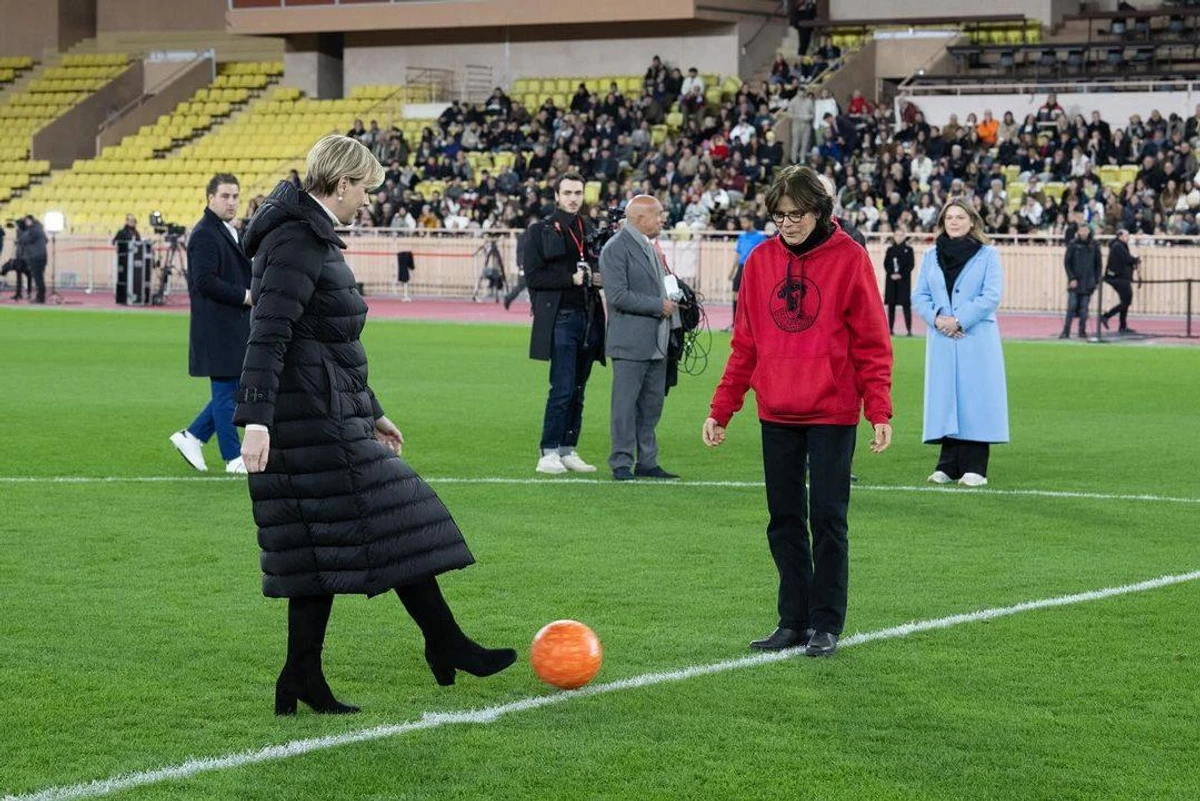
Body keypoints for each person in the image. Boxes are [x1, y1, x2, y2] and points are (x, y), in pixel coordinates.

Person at [235, 135, 516, 715]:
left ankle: (302, 677)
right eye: (365, 188)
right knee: (397, 515)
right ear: (341, 185)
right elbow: (269, 333)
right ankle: (445, 641)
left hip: (328, 407)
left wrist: (373, 409)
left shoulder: (307, 235)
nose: (368, 199)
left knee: (323, 546)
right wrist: (256, 420)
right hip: (306, 417)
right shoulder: (295, 238)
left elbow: (327, 341)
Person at [703, 166, 894, 659]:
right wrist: (722, 409)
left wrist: (879, 408)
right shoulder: (761, 260)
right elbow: (744, 343)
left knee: (828, 519)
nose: (787, 223)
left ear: (820, 211)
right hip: (778, 411)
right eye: (779, 215)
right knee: (784, 519)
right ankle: (792, 619)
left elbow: (872, 340)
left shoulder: (851, 259)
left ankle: (827, 623)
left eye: (797, 215)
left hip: (832, 410)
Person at [912, 198, 1009, 488]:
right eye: (949, 217)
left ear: (972, 221)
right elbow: (920, 295)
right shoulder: (931, 255)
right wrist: (938, 318)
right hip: (942, 337)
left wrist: (959, 320)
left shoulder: (987, 254)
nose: (954, 221)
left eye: (960, 216)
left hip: (974, 337)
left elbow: (991, 296)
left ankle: (975, 466)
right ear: (942, 222)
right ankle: (948, 464)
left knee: (975, 399)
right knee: (947, 399)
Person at [168, 174, 253, 474]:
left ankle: (192, 436)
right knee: (226, 391)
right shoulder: (205, 233)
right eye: (226, 196)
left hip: (229, 326)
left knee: (232, 390)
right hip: (217, 327)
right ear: (210, 198)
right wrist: (245, 296)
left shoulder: (227, 231)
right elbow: (204, 282)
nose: (231, 202)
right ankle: (232, 457)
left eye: (235, 197)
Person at [523, 172, 606, 475]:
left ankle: (568, 449)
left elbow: (599, 266)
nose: (573, 198)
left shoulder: (590, 229)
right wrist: (569, 278)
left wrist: (597, 277)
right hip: (561, 318)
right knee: (562, 387)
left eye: (578, 192)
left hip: (589, 316)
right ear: (556, 195)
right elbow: (533, 277)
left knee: (579, 387)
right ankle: (548, 451)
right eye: (568, 192)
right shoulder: (539, 231)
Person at [598, 194, 680, 481]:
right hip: (631, 341)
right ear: (640, 218)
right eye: (657, 214)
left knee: (651, 405)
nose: (662, 218)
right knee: (625, 406)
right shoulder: (616, 248)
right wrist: (659, 305)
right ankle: (621, 462)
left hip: (656, 340)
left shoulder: (649, 246)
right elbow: (618, 296)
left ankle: (647, 460)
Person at [1060, 224, 1102, 339]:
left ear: (1089, 231)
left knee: (1084, 309)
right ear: (1078, 231)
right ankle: (1066, 331)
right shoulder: (1073, 244)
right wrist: (1071, 278)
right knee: (1072, 306)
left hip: (1089, 282)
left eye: (1085, 230)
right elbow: (1067, 263)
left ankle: (1082, 331)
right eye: (1081, 230)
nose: (1083, 233)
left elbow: (1098, 264)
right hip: (1075, 281)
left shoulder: (1094, 245)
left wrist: (1097, 280)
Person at [729, 214, 768, 330]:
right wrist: (732, 271)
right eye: (742, 222)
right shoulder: (741, 237)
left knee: (752, 296)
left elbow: (764, 256)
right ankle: (735, 323)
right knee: (735, 294)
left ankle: (751, 324)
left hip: (753, 268)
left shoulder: (760, 237)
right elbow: (738, 254)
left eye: (745, 222)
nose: (743, 225)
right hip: (741, 267)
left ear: (751, 222)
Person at [1101, 228, 1139, 334]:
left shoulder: (1119, 246)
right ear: (1120, 236)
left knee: (1125, 300)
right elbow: (1127, 259)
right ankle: (1107, 316)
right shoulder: (1118, 246)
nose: (1128, 238)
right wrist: (1135, 260)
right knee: (1127, 300)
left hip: (1120, 277)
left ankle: (1122, 326)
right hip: (1118, 278)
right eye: (1126, 236)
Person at [882, 228, 914, 336]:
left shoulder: (909, 250)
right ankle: (890, 329)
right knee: (891, 306)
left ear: (904, 236)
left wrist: (901, 275)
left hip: (904, 282)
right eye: (897, 235)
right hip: (891, 282)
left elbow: (911, 265)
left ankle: (909, 330)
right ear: (894, 236)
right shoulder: (890, 250)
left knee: (906, 305)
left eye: (901, 235)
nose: (899, 237)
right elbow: (886, 264)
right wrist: (892, 274)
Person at [16, 215, 47, 304]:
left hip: (35, 257)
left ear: (30, 221)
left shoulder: (33, 230)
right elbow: (46, 240)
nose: (25, 223)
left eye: (26, 221)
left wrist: (20, 230)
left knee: (38, 279)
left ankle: (40, 298)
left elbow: (22, 240)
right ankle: (40, 297)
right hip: (41, 256)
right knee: (39, 278)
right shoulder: (39, 229)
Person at [112, 214, 142, 305]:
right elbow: (115, 242)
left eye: (134, 221)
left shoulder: (136, 233)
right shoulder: (122, 232)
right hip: (124, 260)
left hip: (134, 261)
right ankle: (122, 297)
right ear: (127, 221)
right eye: (131, 220)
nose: (133, 222)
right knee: (123, 279)